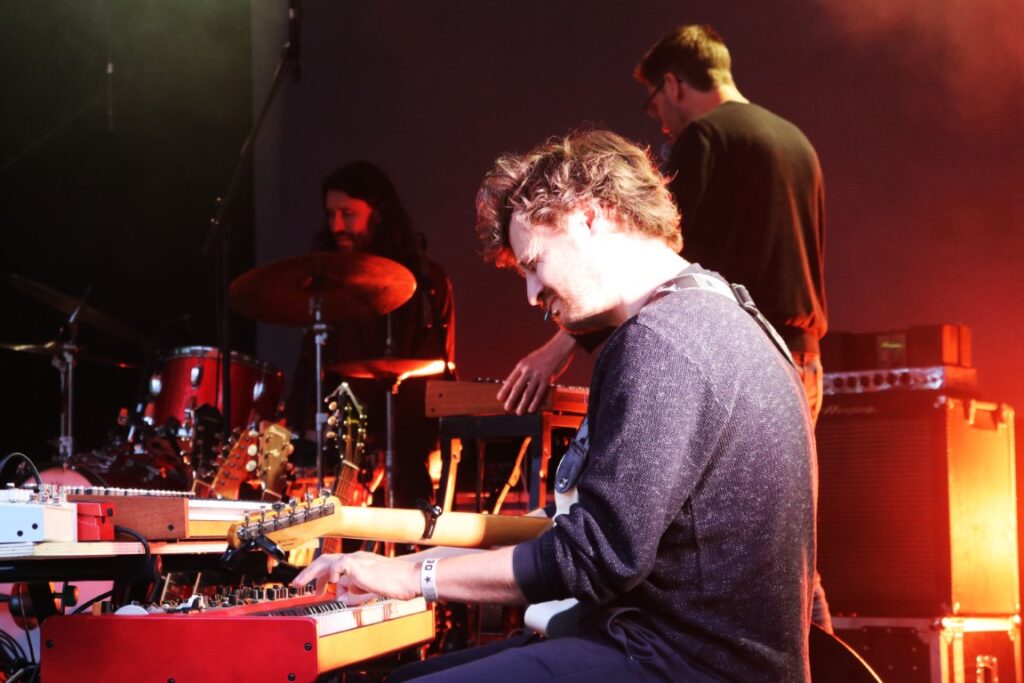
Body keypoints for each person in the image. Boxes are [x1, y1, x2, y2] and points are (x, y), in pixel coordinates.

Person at [293, 131, 816, 681]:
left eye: (534, 263)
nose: (531, 295)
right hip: (681, 649)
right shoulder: (721, 310)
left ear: (589, 216)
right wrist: (410, 564)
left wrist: (412, 578)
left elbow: (592, 556)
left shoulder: (662, 341)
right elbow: (592, 530)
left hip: (684, 663)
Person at [500, 24, 827, 424]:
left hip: (734, 356)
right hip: (801, 360)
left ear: (671, 85)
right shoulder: (797, 142)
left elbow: (655, 255)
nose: (661, 123)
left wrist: (558, 348)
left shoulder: (705, 136)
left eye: (653, 104)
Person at [286, 161, 455, 508]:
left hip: (406, 443)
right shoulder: (325, 286)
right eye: (330, 215)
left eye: (348, 214)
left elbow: (435, 370)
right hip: (339, 440)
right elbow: (309, 370)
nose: (337, 226)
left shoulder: (425, 282)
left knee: (411, 499)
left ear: (378, 212)